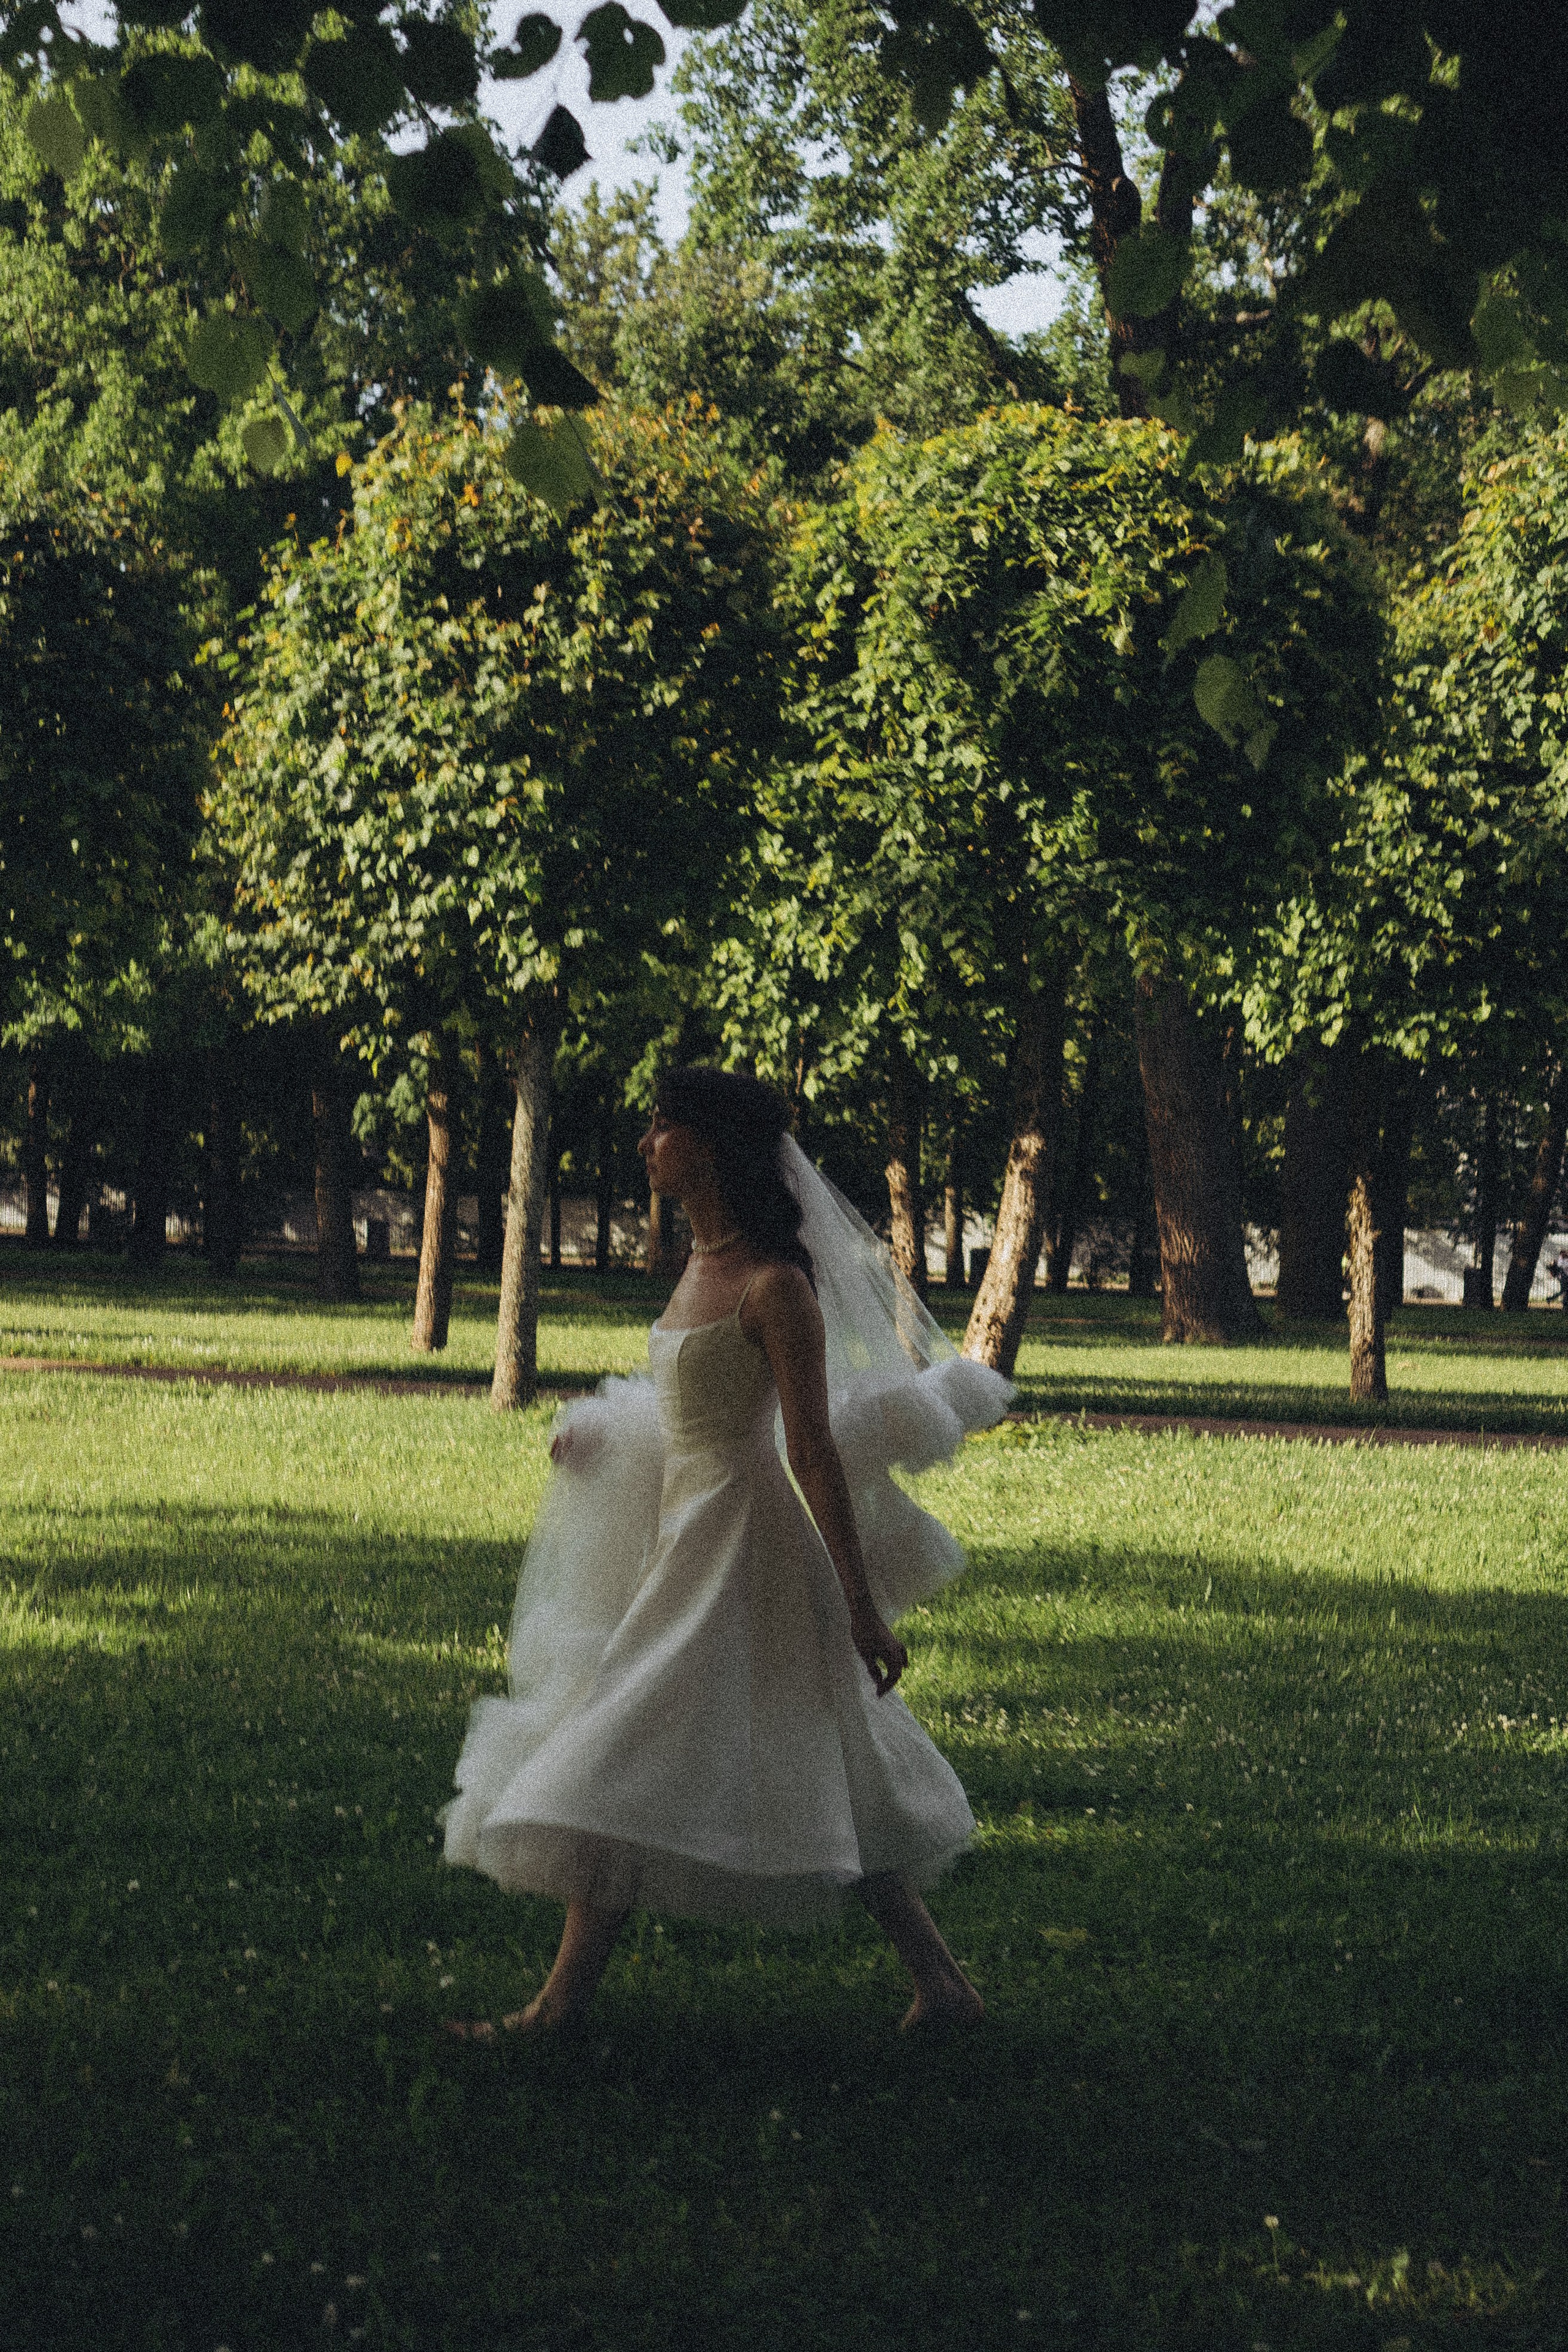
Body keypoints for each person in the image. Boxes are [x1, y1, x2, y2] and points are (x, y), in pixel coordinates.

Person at [441, 1067, 1011, 2037]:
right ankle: (942, 1985)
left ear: (708, 1146)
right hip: (682, 1527)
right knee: (812, 1745)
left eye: (660, 1126)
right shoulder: (700, 1264)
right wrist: (604, 1438)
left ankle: (558, 2009)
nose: (645, 1143)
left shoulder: (776, 1286)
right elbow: (689, 1412)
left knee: (633, 1728)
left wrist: (862, 1604)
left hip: (742, 1545)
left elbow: (812, 1451)